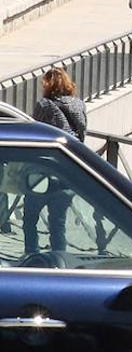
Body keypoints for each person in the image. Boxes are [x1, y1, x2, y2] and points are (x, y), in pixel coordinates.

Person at [25, 68, 85, 254]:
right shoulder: (79, 105)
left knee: (30, 219)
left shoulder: (44, 105)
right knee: (58, 223)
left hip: (43, 172)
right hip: (68, 171)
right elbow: (82, 135)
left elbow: (33, 132)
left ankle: (31, 256)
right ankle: (59, 261)